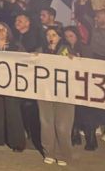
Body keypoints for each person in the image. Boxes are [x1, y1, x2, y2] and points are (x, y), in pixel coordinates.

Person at [0, 21, 27, 151]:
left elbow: (25, 61)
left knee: (13, 112)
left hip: (11, 83)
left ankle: (17, 143)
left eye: (3, 29)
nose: (0, 32)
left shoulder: (16, 45)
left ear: (8, 31)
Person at [37, 26, 76, 166]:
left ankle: (63, 154)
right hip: (45, 90)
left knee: (62, 125)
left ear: (60, 36)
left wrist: (73, 60)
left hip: (64, 92)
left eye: (53, 34)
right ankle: (49, 152)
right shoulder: (41, 50)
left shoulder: (67, 49)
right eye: (48, 34)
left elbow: (76, 66)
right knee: (46, 122)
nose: (50, 37)